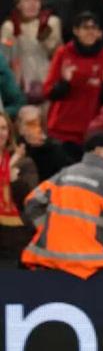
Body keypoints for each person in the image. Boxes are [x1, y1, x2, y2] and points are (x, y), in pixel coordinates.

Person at [21, 131, 103, 278]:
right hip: (95, 267)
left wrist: (48, 230)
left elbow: (32, 202)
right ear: (99, 150)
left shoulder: (65, 174)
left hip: (53, 262)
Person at [43, 11, 103, 161]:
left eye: (94, 28)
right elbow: (48, 91)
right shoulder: (63, 53)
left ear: (100, 33)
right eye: (85, 27)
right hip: (62, 130)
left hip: (90, 131)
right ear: (76, 31)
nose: (90, 32)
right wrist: (65, 83)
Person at [0, 0, 62, 104]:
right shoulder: (9, 26)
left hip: (48, 83)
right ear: (18, 4)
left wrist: (45, 37)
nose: (32, 5)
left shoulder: (52, 22)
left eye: (36, 0)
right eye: (27, 0)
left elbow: (57, 55)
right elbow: (5, 59)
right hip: (20, 85)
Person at [0, 111, 38, 260]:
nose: (0, 133)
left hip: (13, 235)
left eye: (3, 128)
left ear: (9, 132)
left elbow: (30, 199)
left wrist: (14, 179)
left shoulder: (24, 163)